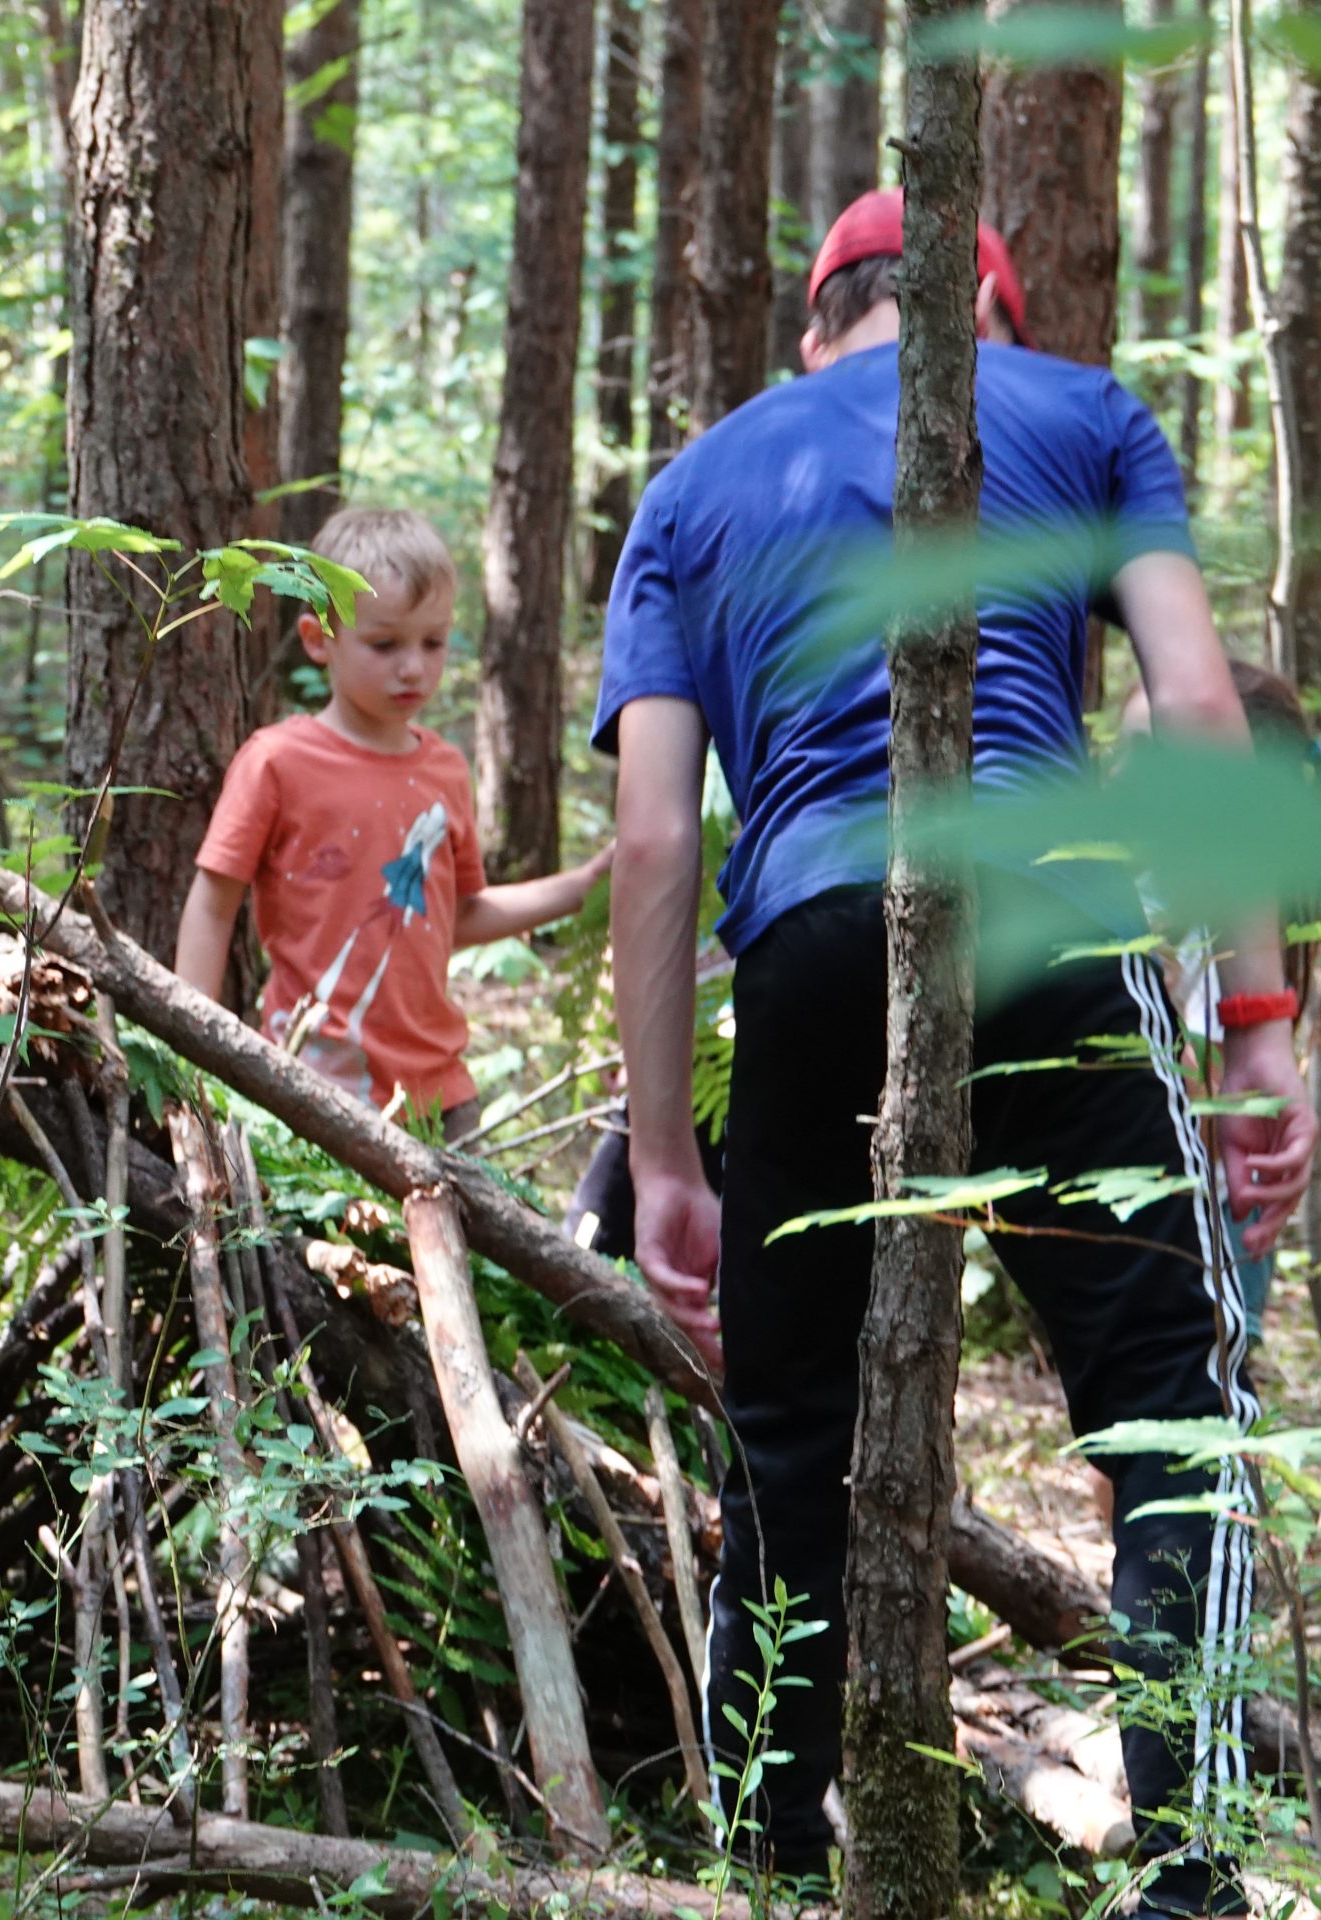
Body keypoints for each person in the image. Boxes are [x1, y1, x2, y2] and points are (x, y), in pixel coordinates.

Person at [598, 190, 1314, 1913]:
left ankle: (760, 1863)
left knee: (783, 1430)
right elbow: (1200, 714)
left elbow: (648, 843)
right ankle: (1195, 1875)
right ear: (986, 320)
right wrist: (1262, 1020)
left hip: (806, 937)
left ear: (816, 325)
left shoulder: (691, 489)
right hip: (1048, 907)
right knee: (1171, 1409)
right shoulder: (1084, 412)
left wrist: (669, 1159)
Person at [174, 506, 611, 1138]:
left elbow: (453, 916)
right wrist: (194, 1046)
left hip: (440, 1098)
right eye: (385, 644)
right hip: (310, 1090)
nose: (413, 667)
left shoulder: (446, 771)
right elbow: (213, 905)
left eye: (433, 643)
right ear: (319, 637)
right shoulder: (277, 761)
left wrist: (583, 887)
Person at [1118, 657, 1318, 1348]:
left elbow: (1207, 1081)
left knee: (1200, 1392)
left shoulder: (1221, 910)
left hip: (1207, 1202)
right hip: (1164, 1200)